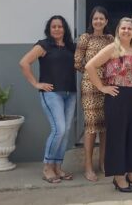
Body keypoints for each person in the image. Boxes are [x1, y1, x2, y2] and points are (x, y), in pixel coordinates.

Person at [85, 17, 132, 193]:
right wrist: (102, 87)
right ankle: (118, 176)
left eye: (130, 28)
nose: (127, 31)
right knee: (117, 137)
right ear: (118, 31)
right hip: (117, 96)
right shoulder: (112, 48)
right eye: (123, 28)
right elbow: (90, 66)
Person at [19, 15, 78, 183]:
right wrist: (36, 84)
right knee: (58, 129)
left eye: (60, 26)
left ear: (65, 29)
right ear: (49, 29)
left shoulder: (70, 47)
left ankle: (58, 167)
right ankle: (47, 166)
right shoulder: (43, 45)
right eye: (54, 27)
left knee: (65, 132)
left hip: (70, 93)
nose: (57, 29)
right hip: (52, 94)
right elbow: (24, 63)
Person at [74, 6, 114, 182]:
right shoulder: (85, 38)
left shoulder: (110, 39)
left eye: (101, 18)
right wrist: (93, 74)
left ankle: (103, 163)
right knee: (91, 127)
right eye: (95, 18)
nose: (98, 21)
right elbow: (77, 62)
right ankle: (88, 167)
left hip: (108, 87)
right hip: (90, 87)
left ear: (106, 21)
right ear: (91, 21)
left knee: (105, 127)